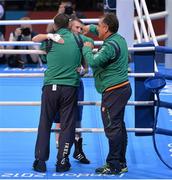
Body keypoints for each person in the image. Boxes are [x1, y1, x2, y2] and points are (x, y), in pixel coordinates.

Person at [32, 13, 93, 173]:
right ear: (69, 25)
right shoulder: (80, 40)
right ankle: (62, 161)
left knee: (45, 122)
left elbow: (38, 45)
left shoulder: (50, 40)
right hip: (70, 87)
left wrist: (49, 35)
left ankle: (40, 161)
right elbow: (87, 59)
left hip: (50, 86)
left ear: (55, 25)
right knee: (67, 126)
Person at [82, 13, 132, 174]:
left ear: (106, 27)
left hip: (114, 91)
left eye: (98, 25)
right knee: (118, 127)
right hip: (121, 88)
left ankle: (113, 164)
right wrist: (87, 28)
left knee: (112, 128)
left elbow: (94, 61)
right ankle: (121, 162)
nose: (96, 28)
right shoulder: (119, 39)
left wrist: (87, 49)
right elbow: (98, 31)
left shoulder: (109, 46)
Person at [55, 17, 90, 164]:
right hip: (60, 85)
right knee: (60, 119)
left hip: (76, 84)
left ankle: (78, 150)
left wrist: (81, 70)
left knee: (77, 118)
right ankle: (61, 151)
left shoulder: (81, 42)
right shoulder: (59, 40)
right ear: (70, 28)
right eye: (77, 28)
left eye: (81, 29)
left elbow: (86, 68)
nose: (79, 30)